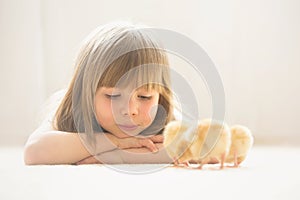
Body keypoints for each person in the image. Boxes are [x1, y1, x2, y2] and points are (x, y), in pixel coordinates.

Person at [24, 21, 175, 165]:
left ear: (160, 97)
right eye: (113, 96)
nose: (130, 111)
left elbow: (195, 149)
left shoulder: (165, 115)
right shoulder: (69, 111)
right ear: (85, 94)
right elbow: (34, 152)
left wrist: (120, 156)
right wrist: (114, 142)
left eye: (144, 97)